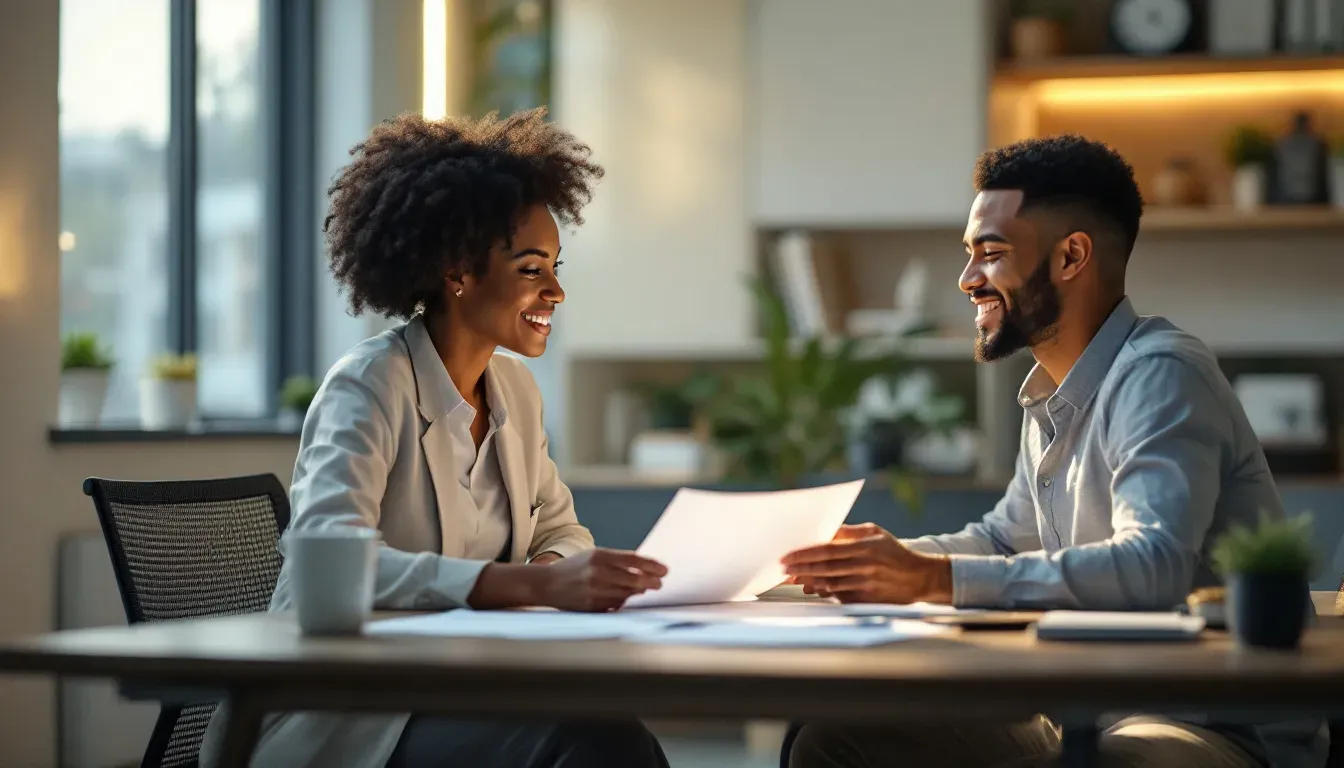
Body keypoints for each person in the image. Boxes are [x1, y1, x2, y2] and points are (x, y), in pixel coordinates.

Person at [779, 135, 1328, 768]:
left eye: (991, 254)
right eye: (969, 255)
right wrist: (875, 561)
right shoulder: (1049, 395)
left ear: (1071, 256)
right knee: (835, 736)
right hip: (1088, 710)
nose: (966, 280)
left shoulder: (1161, 374)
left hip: (1208, 725)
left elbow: (1154, 566)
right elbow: (1007, 541)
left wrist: (928, 580)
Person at [199, 108, 670, 768]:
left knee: (615, 735)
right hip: (346, 714)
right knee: (595, 743)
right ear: (458, 271)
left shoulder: (516, 392)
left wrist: (549, 569)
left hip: (462, 689)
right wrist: (529, 589)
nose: (556, 290)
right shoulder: (369, 385)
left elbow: (562, 531)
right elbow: (329, 565)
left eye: (556, 267)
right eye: (533, 268)